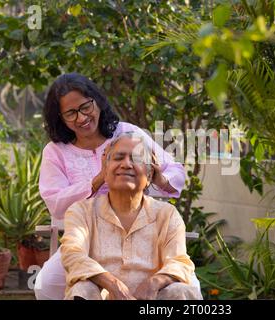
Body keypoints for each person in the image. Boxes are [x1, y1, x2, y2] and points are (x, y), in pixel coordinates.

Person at [34, 73, 198, 299]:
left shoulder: (127, 133)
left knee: (190, 288)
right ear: (60, 117)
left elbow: (176, 171)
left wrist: (157, 177)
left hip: (143, 234)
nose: (82, 118)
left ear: (97, 101)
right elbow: (56, 204)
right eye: (71, 113)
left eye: (85, 107)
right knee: (46, 283)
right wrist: (100, 177)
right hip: (88, 236)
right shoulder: (55, 151)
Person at [61, 132, 201, 300]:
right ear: (105, 171)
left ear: (149, 175)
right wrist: (113, 285)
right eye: (119, 158)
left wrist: (153, 283)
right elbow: (73, 254)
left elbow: (179, 261)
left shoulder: (167, 214)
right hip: (101, 296)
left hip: (151, 301)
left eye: (136, 159)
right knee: (82, 289)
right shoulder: (81, 211)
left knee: (181, 291)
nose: (126, 164)